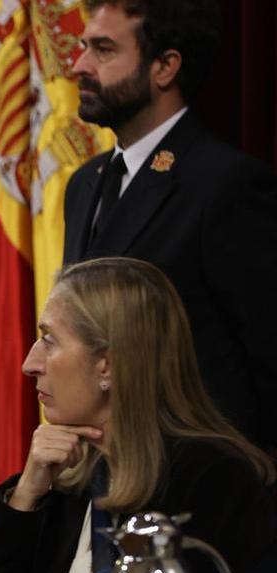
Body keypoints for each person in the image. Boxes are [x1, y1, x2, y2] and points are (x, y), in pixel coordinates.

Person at [0, 258, 277, 573]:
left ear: (107, 366)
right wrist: (24, 499)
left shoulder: (215, 485)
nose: (30, 364)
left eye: (49, 340)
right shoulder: (59, 485)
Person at [63, 0, 277, 452]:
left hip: (191, 483)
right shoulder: (85, 184)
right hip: (99, 473)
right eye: (83, 46)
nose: (79, 65)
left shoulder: (225, 185)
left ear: (165, 67)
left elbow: (266, 359)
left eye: (102, 49)